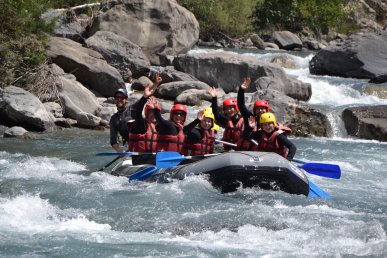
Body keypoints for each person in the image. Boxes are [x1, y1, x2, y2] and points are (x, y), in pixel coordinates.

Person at [128, 74, 162, 164]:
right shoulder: (141, 124)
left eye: (155, 112)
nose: (153, 115)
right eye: (151, 112)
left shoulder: (160, 126)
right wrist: (144, 97)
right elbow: (138, 111)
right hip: (140, 159)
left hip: (155, 158)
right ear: (147, 113)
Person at [109, 88, 134, 153]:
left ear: (126, 100)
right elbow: (113, 141)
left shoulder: (134, 112)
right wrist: (121, 151)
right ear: (115, 100)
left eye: (122, 97)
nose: (119, 99)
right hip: (131, 149)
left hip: (144, 145)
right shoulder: (114, 119)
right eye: (117, 97)